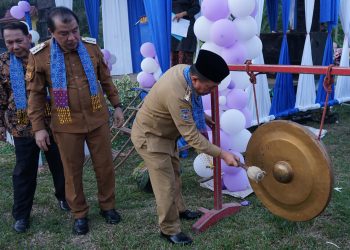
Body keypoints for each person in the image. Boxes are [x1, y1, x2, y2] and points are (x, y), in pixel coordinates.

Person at [26, 7, 124, 235]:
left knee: (105, 166)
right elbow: (36, 96)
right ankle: (79, 214)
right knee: (71, 171)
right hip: (66, 123)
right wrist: (38, 128)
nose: (71, 38)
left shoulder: (90, 47)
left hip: (97, 118)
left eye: (74, 31)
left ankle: (107, 206)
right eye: (64, 33)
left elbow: (106, 80)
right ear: (51, 32)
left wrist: (117, 105)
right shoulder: (40, 56)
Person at [131, 49, 240, 245]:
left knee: (175, 174)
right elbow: (192, 138)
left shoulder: (185, 72)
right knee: (165, 184)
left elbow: (192, 101)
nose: (212, 91)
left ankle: (179, 210)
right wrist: (223, 154)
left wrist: (203, 117)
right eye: (211, 87)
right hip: (151, 138)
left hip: (166, 135)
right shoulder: (177, 93)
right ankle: (169, 229)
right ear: (197, 79)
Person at [0, 22, 69, 233]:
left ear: (29, 38)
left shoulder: (45, 57)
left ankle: (65, 198)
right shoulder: (2, 63)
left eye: (18, 41)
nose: (14, 46)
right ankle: (21, 215)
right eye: (8, 42)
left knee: (60, 165)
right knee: (24, 171)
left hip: (52, 123)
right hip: (22, 126)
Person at [171, 0, 200, 66]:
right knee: (173, 54)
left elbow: (196, 8)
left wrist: (183, 13)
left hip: (186, 28)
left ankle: (184, 75)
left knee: (185, 54)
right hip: (173, 28)